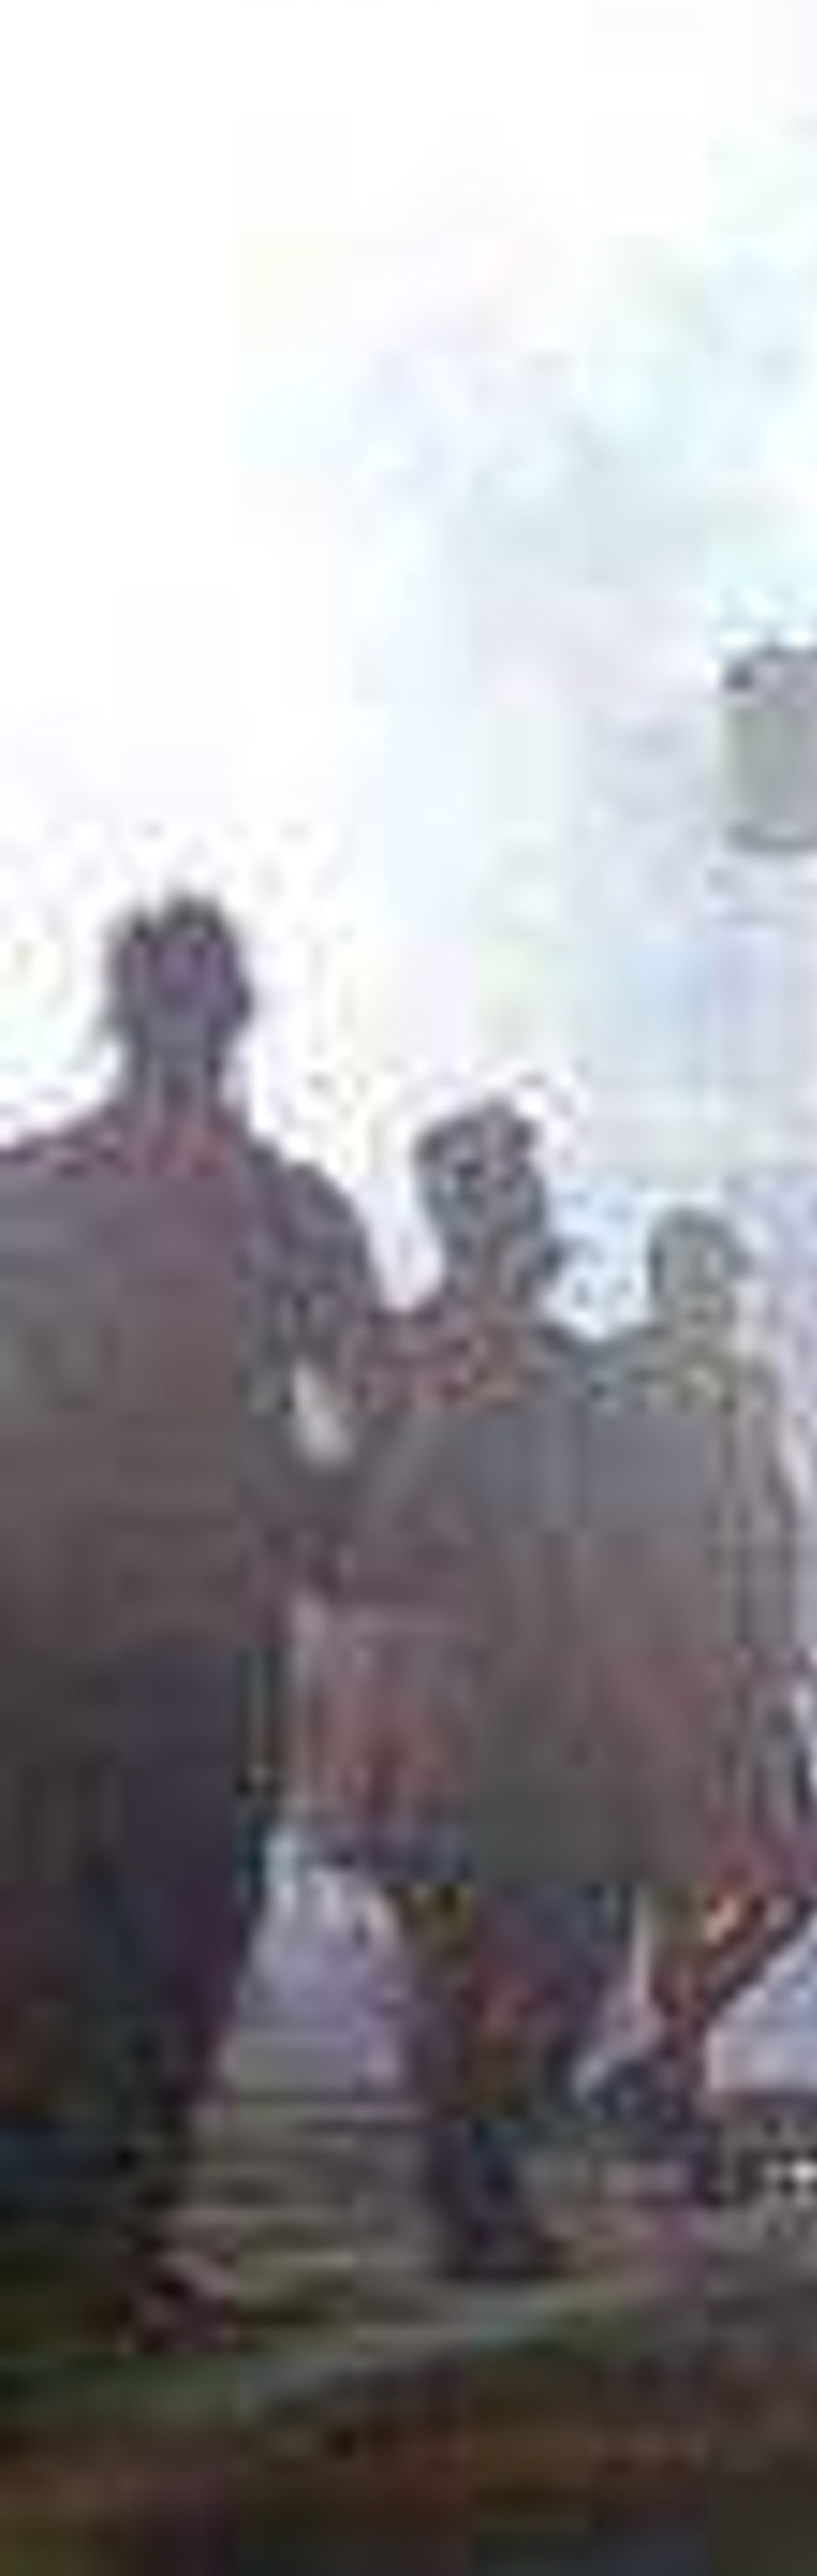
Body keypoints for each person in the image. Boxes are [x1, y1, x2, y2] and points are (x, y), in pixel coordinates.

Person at [0, 895, 389, 2331]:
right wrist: (319, 1530)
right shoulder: (283, 1210)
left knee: (40, 1940)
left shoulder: (30, 1196)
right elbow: (379, 1411)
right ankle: (117, 2241)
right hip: (203, 1635)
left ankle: (39, 2232)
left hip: (33, 1633)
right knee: (174, 1942)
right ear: (238, 1018)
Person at [331, 1102, 653, 2280]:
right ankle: (475, 2190)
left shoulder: (554, 1367)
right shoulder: (418, 1358)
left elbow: (616, 1538)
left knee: (538, 1939)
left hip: (510, 1695)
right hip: (454, 1693)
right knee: (478, 1946)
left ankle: (474, 2175)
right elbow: (358, 1535)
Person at [583, 1208, 817, 2197]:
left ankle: (662, 2080)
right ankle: (677, 2111)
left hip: (736, 1678)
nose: (727, 1303)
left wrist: (782, 1638)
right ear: (671, 1282)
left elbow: (769, 1517)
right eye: (714, 1282)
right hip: (658, 1676)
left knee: (800, 1881)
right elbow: (600, 1538)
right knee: (686, 1900)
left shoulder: (742, 1389)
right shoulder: (620, 1386)